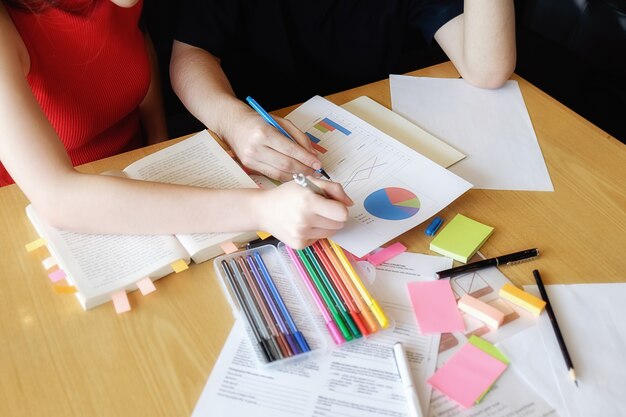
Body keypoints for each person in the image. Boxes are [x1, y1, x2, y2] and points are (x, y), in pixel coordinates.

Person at [0, 0, 352, 249]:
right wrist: (262, 210)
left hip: (138, 176)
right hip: (31, 212)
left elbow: (128, 51)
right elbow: (60, 199)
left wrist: (157, 137)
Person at [170, 0, 516, 183]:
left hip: (370, 145)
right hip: (265, 141)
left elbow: (487, 69)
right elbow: (189, 55)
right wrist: (232, 121)